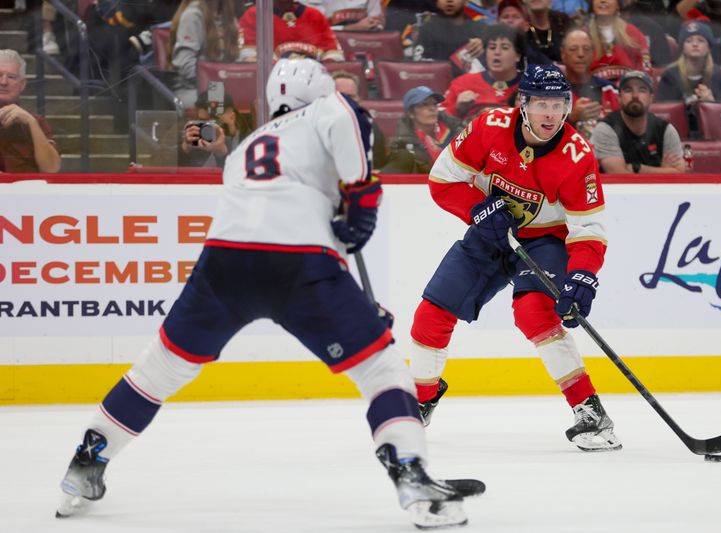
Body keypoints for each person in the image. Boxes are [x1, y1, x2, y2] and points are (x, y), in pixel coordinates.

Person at [54, 58, 483, 529]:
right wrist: (360, 210)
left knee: (160, 369)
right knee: (381, 370)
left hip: (223, 263)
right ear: (320, 91)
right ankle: (411, 475)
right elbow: (349, 196)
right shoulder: (333, 109)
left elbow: (281, 209)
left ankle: (85, 463)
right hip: (298, 264)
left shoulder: (246, 148)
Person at [408, 64, 622, 452]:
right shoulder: (489, 126)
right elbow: (442, 180)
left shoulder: (577, 156)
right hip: (490, 234)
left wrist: (582, 277)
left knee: (535, 313)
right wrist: (478, 209)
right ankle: (421, 399)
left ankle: (590, 411)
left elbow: (588, 231)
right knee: (432, 312)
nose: (550, 114)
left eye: (559, 104)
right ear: (522, 103)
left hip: (545, 241)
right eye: (541, 103)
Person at [591, 70, 685, 173]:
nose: (635, 95)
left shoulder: (665, 130)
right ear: (619, 98)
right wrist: (663, 171)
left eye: (642, 90)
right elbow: (619, 177)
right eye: (628, 90)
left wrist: (637, 168)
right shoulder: (606, 129)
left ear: (651, 98)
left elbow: (679, 174)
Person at [442, 23, 524, 120]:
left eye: (505, 47)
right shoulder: (462, 84)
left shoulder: (532, 87)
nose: (497, 52)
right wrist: (457, 109)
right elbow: (440, 123)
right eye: (492, 47)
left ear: (518, 55)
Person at [168, 0, 240, 108]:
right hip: (194, 88)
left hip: (225, 86)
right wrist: (218, 84)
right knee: (224, 106)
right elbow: (185, 64)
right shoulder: (192, 15)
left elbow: (236, 56)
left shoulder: (229, 17)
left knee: (255, 100)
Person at [0, 49, 61, 173]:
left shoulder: (35, 121)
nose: (3, 82)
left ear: (22, 84)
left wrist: (31, 123)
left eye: (11, 77)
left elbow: (51, 169)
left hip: (23, 191)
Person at [383, 86, 463, 174]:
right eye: (424, 104)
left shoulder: (455, 133)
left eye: (434, 104)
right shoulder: (403, 144)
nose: (432, 108)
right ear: (411, 113)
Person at [560, 27, 619, 138]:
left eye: (586, 49)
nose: (581, 54)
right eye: (573, 49)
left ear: (593, 54)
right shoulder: (549, 93)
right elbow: (540, 137)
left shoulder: (611, 91)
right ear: (563, 54)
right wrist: (571, 119)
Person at [239, 1, 345, 62]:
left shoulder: (315, 16)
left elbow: (335, 57)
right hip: (272, 84)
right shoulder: (254, 15)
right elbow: (249, 59)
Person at [656, 19, 721, 104]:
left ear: (708, 48)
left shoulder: (716, 73)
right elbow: (664, 110)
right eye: (689, 41)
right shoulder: (670, 75)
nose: (695, 44)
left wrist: (711, 103)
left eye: (700, 40)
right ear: (682, 48)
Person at [179, 90, 254, 167]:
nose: (207, 127)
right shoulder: (195, 137)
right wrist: (185, 148)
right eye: (203, 122)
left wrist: (221, 152)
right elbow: (173, 171)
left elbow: (241, 173)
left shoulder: (249, 141)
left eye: (214, 122)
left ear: (232, 117)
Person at [331, 70, 388, 169]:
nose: (346, 101)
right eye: (340, 96)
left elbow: (377, 168)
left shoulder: (371, 130)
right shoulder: (312, 128)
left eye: (351, 97)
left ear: (358, 100)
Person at [585, 0, 652, 85]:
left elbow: (646, 70)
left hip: (628, 94)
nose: (603, 1)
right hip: (593, 95)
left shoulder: (633, 33)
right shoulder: (583, 36)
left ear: (618, 5)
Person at [413, 0, 487, 73]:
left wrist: (485, 46)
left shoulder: (480, 30)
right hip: (438, 80)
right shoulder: (427, 29)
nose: (449, 1)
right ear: (437, 2)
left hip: (470, 82)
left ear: (466, 2)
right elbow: (419, 65)